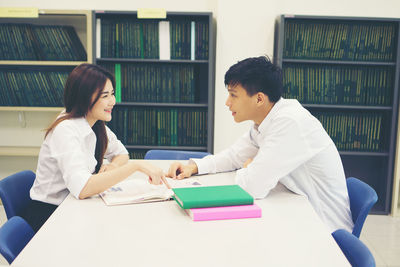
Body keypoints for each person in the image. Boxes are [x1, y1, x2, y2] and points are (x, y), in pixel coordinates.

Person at [167, 56, 354, 232]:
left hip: (325, 230)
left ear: (259, 99)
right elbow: (235, 156)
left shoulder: (289, 123)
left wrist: (251, 167)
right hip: (298, 215)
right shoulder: (266, 121)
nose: (227, 102)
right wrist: (194, 167)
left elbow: (252, 187)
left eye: (233, 95)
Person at [21, 64, 166, 232]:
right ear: (84, 97)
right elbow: (83, 189)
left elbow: (121, 153)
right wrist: (135, 166)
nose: (112, 101)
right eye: (105, 96)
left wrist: (113, 166)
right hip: (49, 217)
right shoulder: (65, 129)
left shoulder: (95, 123)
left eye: (112, 94)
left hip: (72, 208)